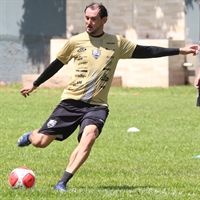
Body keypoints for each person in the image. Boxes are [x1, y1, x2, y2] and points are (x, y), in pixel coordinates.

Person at [18, 3, 200, 191]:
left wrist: (180, 50)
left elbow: (146, 51)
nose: (89, 22)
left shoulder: (117, 43)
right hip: (71, 102)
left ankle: (62, 182)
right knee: (41, 142)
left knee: (89, 137)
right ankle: (31, 136)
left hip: (97, 106)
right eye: (87, 18)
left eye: (94, 19)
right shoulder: (75, 42)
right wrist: (35, 84)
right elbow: (57, 64)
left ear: (104, 20)